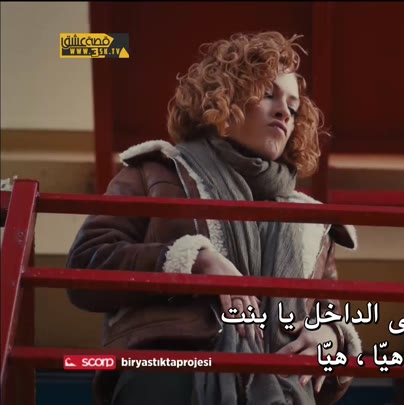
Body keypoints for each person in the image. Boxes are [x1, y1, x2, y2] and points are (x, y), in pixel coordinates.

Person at [66, 31, 361, 405]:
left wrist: (331, 337)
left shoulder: (313, 223)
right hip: (170, 379)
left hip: (283, 392)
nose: (285, 112)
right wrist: (193, 261)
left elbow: (330, 315)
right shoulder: (157, 171)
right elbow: (86, 267)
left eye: (293, 106)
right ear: (224, 98)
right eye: (267, 94)